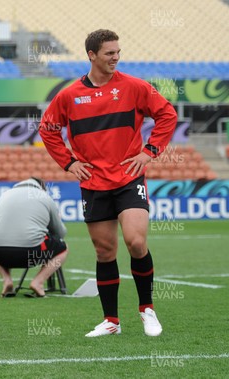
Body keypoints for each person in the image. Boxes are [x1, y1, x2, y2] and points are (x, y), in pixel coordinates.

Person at [39, 29, 177, 337]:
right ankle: (111, 321)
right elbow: (48, 129)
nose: (115, 57)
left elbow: (167, 114)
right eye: (109, 53)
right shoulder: (69, 95)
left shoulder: (134, 87)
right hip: (93, 182)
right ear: (91, 55)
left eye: (117, 52)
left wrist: (149, 151)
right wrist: (69, 162)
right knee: (105, 252)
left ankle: (147, 309)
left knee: (136, 242)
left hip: (129, 178)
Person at [0, 177, 69, 298]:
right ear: (42, 188)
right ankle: (38, 282)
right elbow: (61, 233)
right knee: (63, 248)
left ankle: (7, 280)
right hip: (31, 253)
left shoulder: (4, 195)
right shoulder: (44, 196)